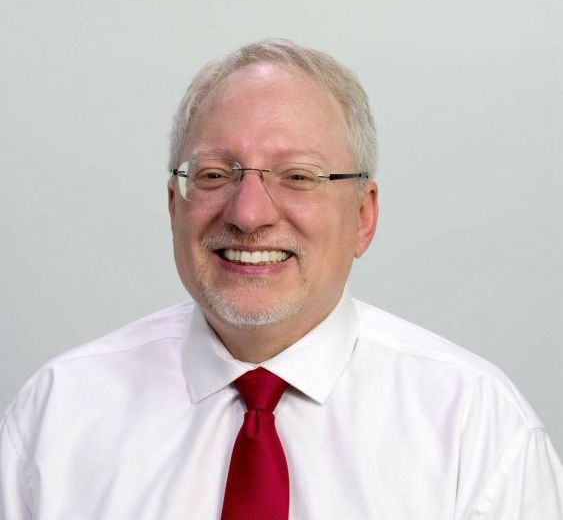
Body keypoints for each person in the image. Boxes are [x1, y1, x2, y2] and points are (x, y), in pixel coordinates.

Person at [1, 39, 562, 520]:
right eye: (214, 174)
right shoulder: (57, 416)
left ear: (363, 216)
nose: (248, 214)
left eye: (297, 176)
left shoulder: (477, 430)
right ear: (175, 207)